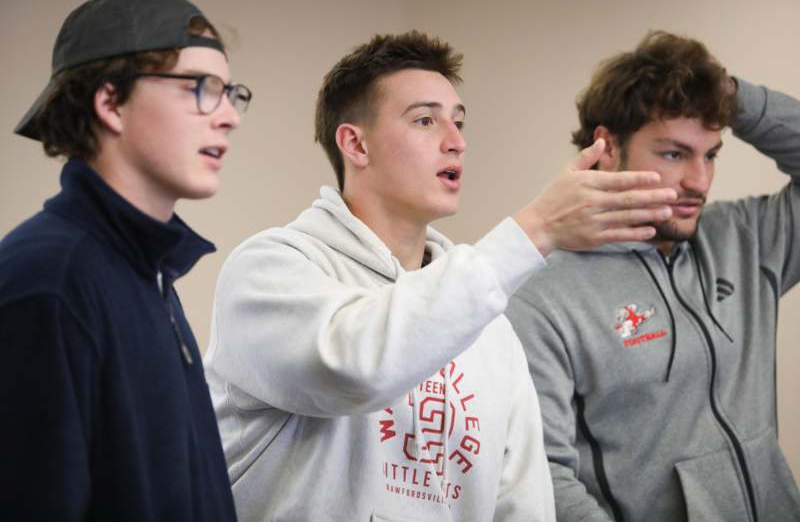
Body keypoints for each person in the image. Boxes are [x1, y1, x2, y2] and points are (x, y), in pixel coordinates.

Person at [204, 31, 675, 521]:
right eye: (425, 120)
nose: (456, 142)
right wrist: (534, 230)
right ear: (356, 144)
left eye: (460, 122)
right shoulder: (268, 270)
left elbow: (520, 505)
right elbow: (354, 368)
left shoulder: (491, 327)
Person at [506, 30, 800, 522]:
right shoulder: (541, 296)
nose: (698, 180)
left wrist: (732, 95)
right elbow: (544, 477)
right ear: (608, 149)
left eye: (709, 155)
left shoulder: (744, 240)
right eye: (673, 154)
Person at [0, 0, 252, 520]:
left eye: (231, 93)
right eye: (201, 88)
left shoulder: (150, 279)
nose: (229, 116)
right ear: (110, 101)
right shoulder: (48, 283)